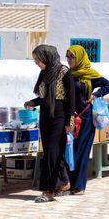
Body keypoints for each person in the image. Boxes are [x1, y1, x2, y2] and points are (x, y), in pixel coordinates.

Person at [24, 44, 75, 202]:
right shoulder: (44, 74)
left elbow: (71, 100)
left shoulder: (64, 72)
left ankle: (48, 191)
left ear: (47, 57)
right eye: (35, 60)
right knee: (50, 153)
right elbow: (44, 97)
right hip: (45, 116)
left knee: (52, 154)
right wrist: (33, 102)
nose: (37, 63)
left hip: (59, 117)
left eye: (38, 60)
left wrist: (69, 121)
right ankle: (63, 183)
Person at [66, 45, 109, 195]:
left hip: (86, 119)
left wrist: (96, 94)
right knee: (69, 150)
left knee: (82, 151)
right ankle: (69, 184)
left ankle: (79, 186)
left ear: (79, 57)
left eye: (71, 57)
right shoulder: (67, 74)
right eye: (67, 56)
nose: (69, 60)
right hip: (70, 118)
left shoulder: (90, 74)